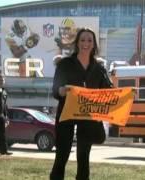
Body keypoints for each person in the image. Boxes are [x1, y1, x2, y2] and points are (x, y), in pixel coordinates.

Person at [50, 28, 113, 180]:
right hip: (66, 114)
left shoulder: (99, 69)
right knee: (62, 155)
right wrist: (61, 90)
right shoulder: (65, 64)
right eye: (83, 40)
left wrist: (128, 92)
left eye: (89, 40)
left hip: (88, 117)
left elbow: (109, 91)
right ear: (77, 43)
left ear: (94, 44)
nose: (86, 43)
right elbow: (55, 90)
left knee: (83, 158)